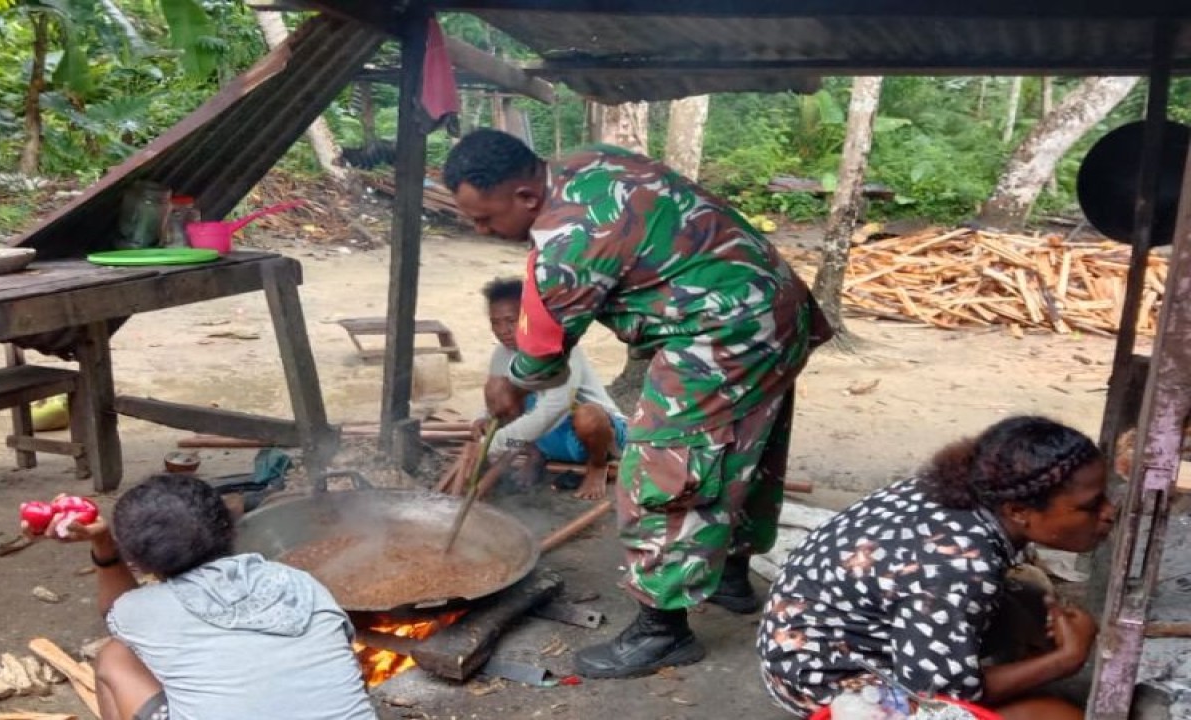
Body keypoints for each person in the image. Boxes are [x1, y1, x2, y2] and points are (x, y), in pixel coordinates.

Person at [443, 128, 831, 678]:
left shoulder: (569, 243)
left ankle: (663, 631)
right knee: (745, 447)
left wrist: (512, 382)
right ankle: (730, 576)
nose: (483, 231)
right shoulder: (588, 163)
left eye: (485, 219)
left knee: (662, 469)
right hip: (772, 308)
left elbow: (545, 360)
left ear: (526, 197)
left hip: (721, 333)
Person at [758, 416, 1116, 720]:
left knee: (1030, 600)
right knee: (1056, 714)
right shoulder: (958, 566)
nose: (1109, 513)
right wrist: (1067, 659)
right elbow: (940, 693)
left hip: (806, 633)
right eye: (1090, 506)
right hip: (820, 677)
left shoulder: (963, 492)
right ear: (1018, 511)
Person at [26, 474, 376, 720]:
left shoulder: (143, 612)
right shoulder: (299, 582)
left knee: (114, 657)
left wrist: (104, 545)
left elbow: (119, 619)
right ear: (232, 526)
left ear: (135, 561)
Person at [477, 276, 628, 500]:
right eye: (495, 323)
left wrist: (502, 441)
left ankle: (597, 467)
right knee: (498, 391)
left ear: (529, 317)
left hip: (594, 436)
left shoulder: (559, 348)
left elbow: (557, 407)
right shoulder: (502, 353)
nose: (503, 330)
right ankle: (536, 456)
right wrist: (483, 419)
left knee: (588, 415)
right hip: (546, 438)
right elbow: (498, 400)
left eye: (511, 320)